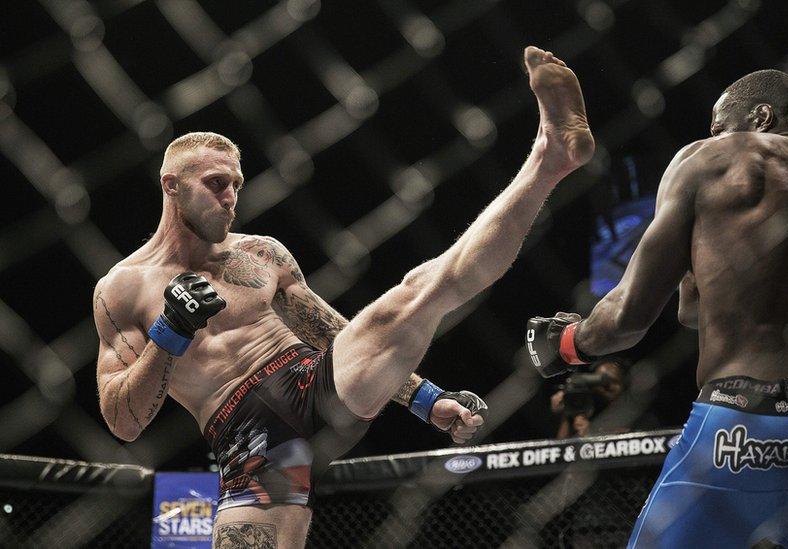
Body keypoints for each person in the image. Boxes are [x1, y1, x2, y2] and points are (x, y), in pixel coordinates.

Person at [94, 46, 594, 548]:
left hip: (317, 386)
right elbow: (124, 421)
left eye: (237, 185)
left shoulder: (262, 253)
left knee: (421, 289)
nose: (230, 197)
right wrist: (171, 330)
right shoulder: (124, 287)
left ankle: (549, 158)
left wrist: (423, 397)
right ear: (171, 186)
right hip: (246, 434)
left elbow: (328, 330)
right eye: (215, 183)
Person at [527, 70, 788, 547]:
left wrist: (568, 344)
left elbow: (628, 317)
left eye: (719, 126)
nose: (713, 137)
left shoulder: (707, 160)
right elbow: (696, 311)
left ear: (761, 116)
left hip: (734, 432)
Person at [549, 358, 627, 438]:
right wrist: (566, 407)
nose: (606, 386)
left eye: (613, 381)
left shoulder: (629, 409)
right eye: (600, 381)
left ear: (624, 383)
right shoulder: (584, 404)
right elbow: (561, 446)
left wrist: (592, 433)